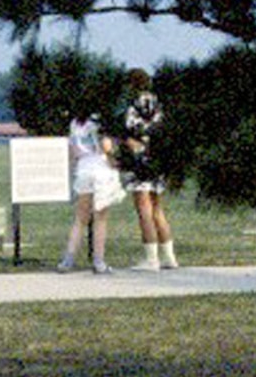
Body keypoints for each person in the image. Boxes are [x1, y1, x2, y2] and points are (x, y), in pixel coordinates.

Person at [121, 68, 179, 270]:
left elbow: (130, 130)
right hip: (158, 159)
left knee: (143, 210)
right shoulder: (158, 104)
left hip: (139, 161)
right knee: (157, 209)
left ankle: (151, 258)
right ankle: (169, 257)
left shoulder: (132, 105)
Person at [56, 112, 123, 274]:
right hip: (101, 169)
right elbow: (106, 147)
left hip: (83, 168)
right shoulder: (99, 120)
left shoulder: (75, 123)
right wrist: (117, 161)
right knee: (100, 219)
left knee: (80, 219)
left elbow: (72, 150)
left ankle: (68, 259)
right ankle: (99, 261)